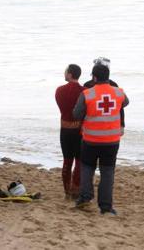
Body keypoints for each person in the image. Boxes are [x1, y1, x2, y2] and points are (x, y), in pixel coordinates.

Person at [73, 64, 128, 215]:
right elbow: (126, 103)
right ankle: (106, 207)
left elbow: (76, 115)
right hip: (111, 141)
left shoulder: (87, 94)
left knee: (87, 169)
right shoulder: (118, 92)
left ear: (94, 77)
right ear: (108, 76)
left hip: (90, 140)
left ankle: (85, 198)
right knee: (108, 173)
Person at [55, 64, 84, 199]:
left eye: (65, 72)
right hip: (79, 130)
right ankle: (76, 189)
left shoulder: (59, 90)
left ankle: (67, 191)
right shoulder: (84, 91)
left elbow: (62, 108)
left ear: (70, 74)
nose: (64, 74)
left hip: (65, 129)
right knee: (79, 160)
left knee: (67, 160)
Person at [83, 57, 125, 131]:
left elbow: (120, 106)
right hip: (93, 126)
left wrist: (122, 124)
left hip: (106, 126)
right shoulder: (87, 85)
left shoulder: (113, 85)